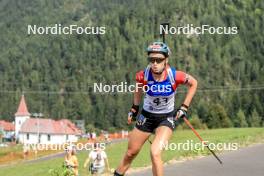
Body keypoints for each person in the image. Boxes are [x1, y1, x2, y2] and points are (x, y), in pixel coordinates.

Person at [113, 41, 198, 176]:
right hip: (146, 117)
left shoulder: (174, 75)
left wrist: (184, 107)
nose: (155, 63)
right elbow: (138, 89)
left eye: (159, 60)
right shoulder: (143, 75)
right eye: (152, 60)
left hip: (165, 119)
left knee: (155, 152)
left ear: (166, 60)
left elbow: (194, 83)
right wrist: (134, 108)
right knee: (130, 153)